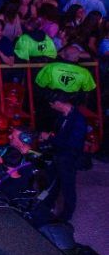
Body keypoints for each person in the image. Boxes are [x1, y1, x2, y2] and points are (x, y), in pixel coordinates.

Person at [39, 91, 88, 223]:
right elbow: (60, 135)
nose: (51, 107)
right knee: (52, 182)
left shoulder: (78, 120)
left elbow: (73, 143)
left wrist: (50, 138)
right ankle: (47, 205)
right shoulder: (62, 116)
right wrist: (50, 137)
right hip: (57, 154)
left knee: (67, 187)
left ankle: (67, 215)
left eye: (52, 104)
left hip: (68, 158)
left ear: (59, 103)